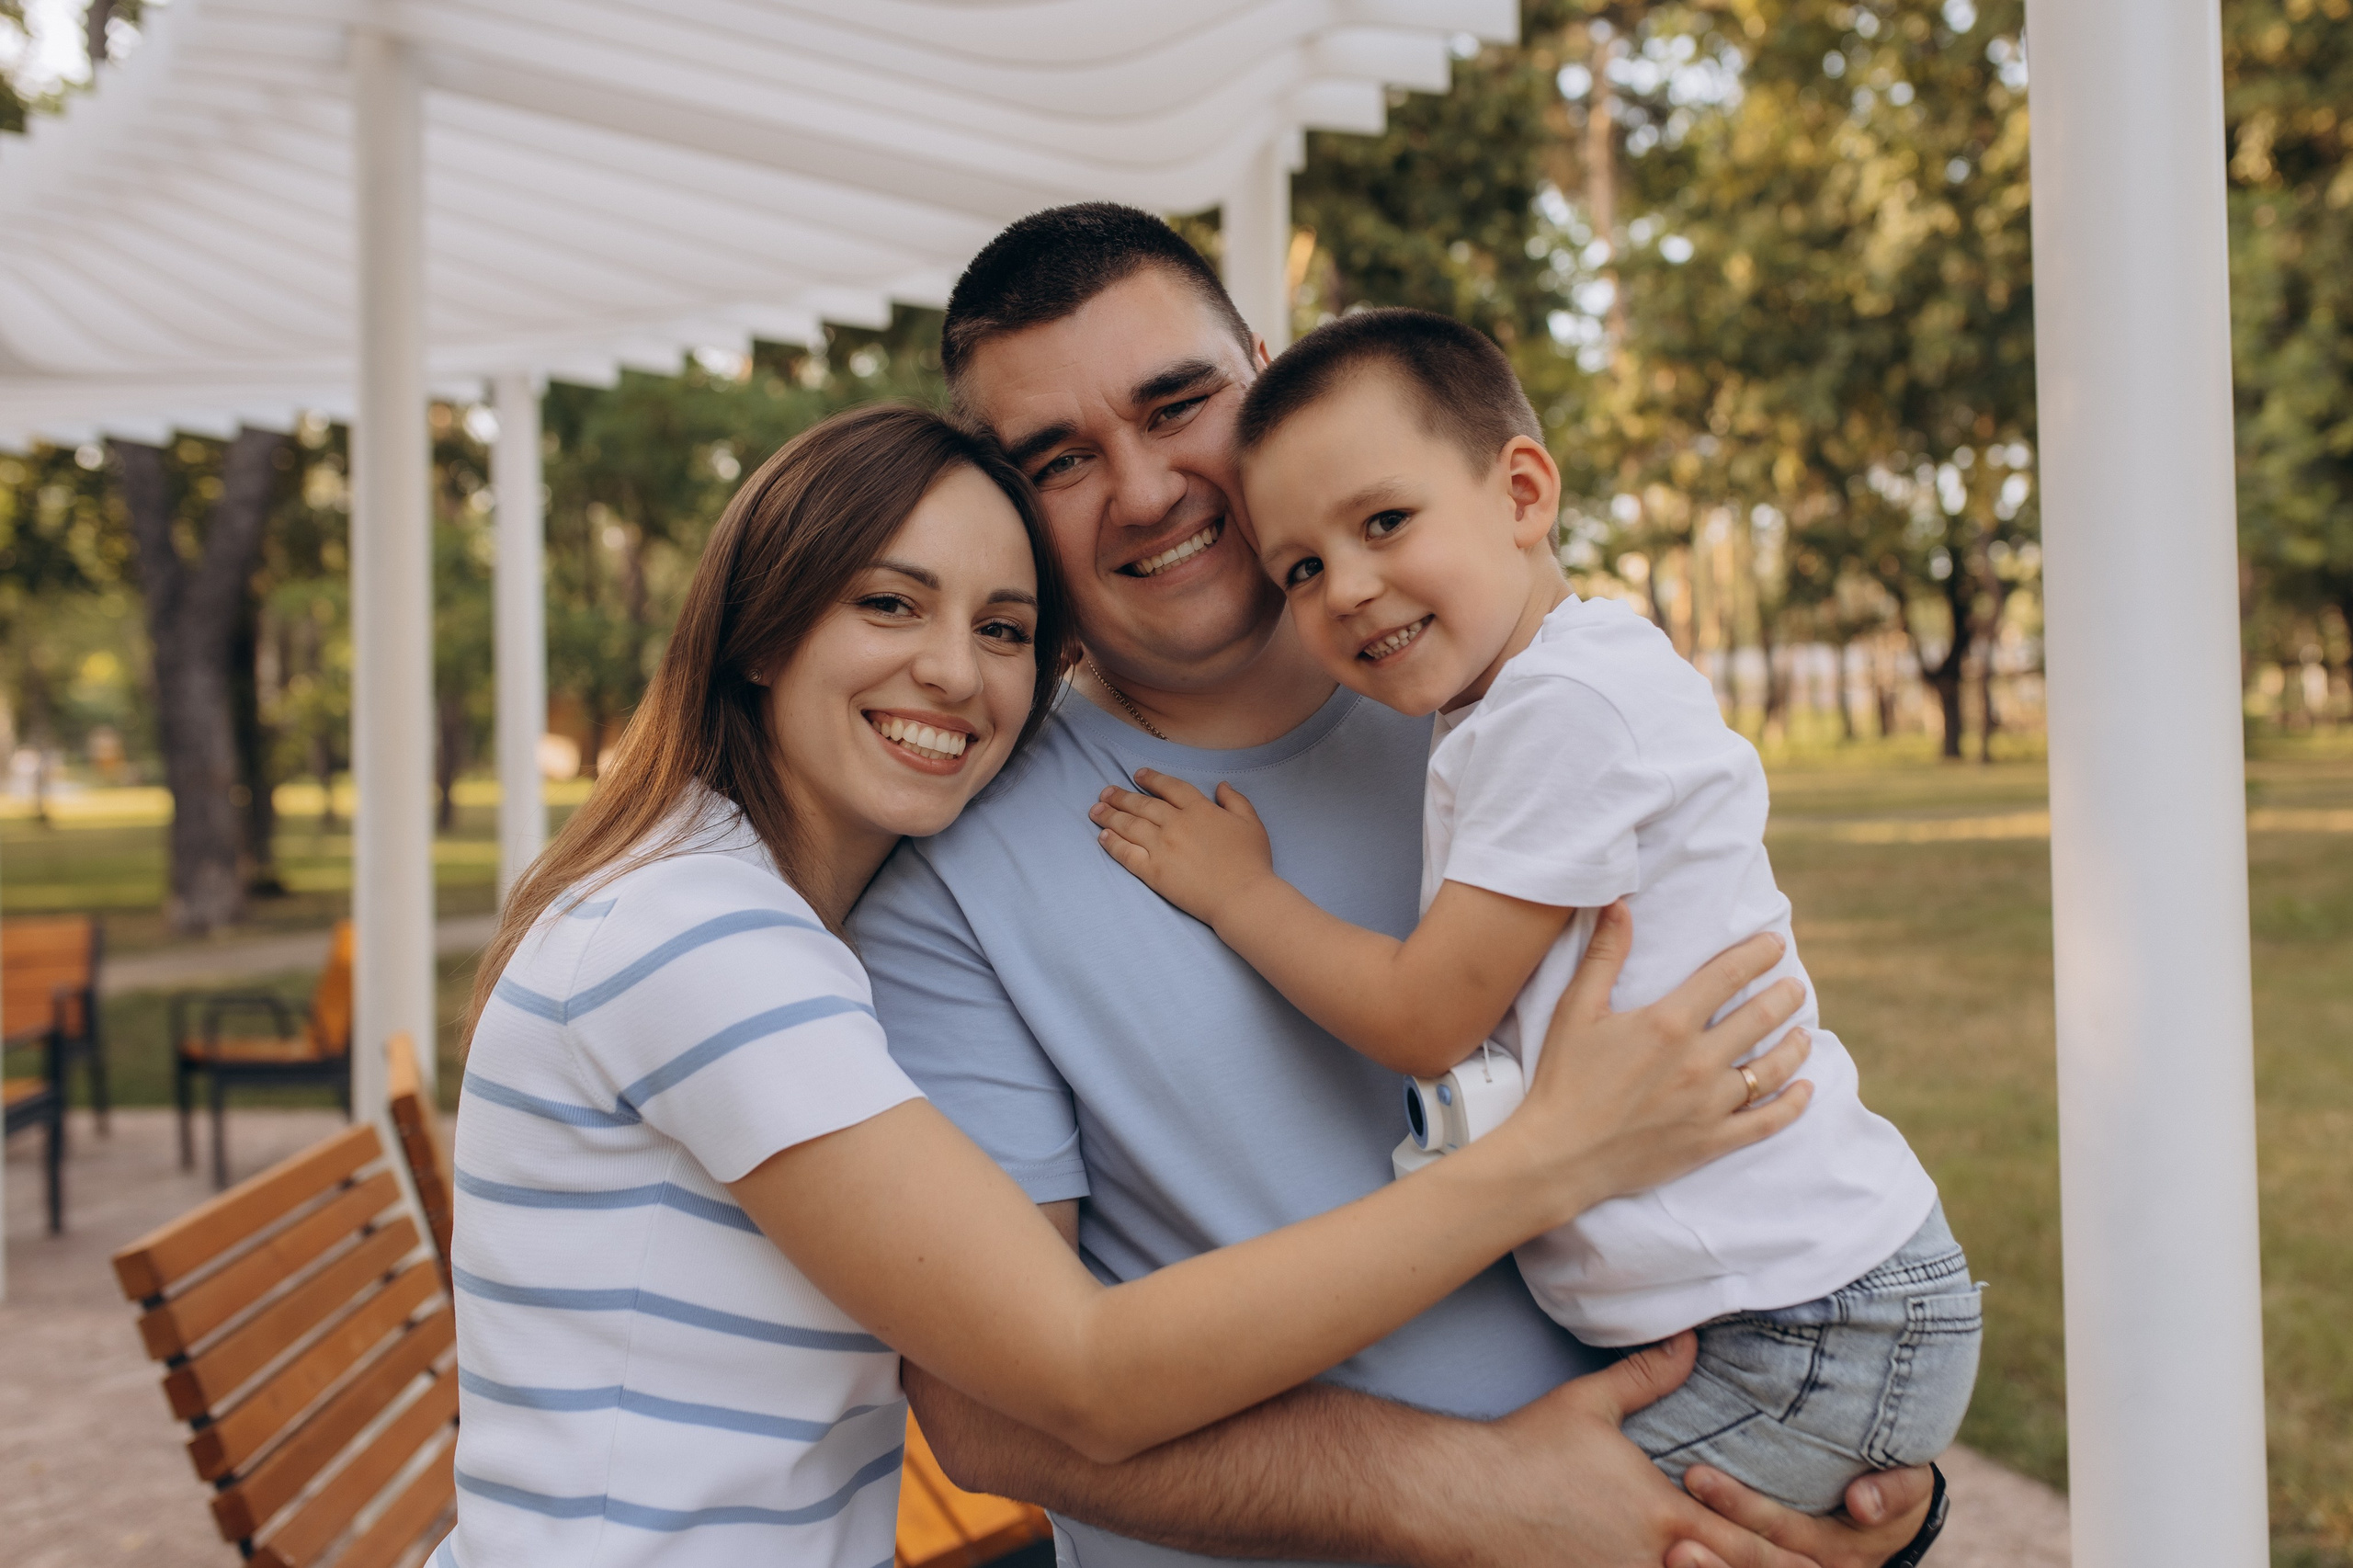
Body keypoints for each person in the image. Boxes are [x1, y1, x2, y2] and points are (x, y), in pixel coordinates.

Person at [439, 404, 1810, 1568]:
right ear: (760, 628)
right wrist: (1545, 1159)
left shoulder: (736, 913)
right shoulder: (702, 939)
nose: (952, 669)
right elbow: (1077, 1369)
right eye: (888, 602)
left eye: (1005, 625)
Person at [853, 203, 1943, 1567]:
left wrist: (1844, 1483)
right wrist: (1456, 1490)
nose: (1141, 491)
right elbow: (992, 1414)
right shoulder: (948, 872)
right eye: (1059, 460)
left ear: (1267, 373)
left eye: (1178, 402)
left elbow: (1756, 1104)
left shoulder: (1500, 708)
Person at [1090, 307, 1982, 1515]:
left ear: (1522, 494)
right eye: (1300, 566)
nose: (1347, 587)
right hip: (1780, 1305)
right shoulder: (1517, 701)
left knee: (1546, 1531)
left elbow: (1424, 1015)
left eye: (1385, 522)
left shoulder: (1566, 709)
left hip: (1803, 1317)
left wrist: (1240, 894)